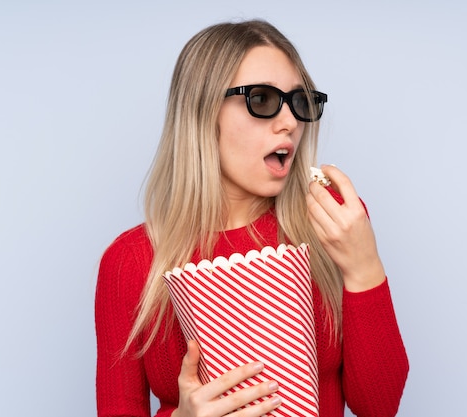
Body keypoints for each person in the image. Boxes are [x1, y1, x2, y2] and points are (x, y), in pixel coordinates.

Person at [95, 19, 409, 417]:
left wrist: (365, 268)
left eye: (299, 102)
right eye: (262, 100)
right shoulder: (131, 260)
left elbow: (378, 407)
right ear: (204, 113)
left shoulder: (334, 221)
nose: (290, 123)